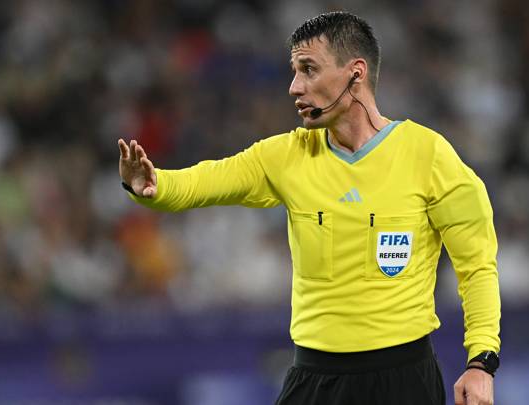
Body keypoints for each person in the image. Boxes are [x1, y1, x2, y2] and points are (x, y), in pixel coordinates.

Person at [118, 11, 500, 405]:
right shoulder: (288, 156)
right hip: (315, 380)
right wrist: (153, 184)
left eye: (308, 70)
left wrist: (481, 361)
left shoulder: (428, 155)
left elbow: (477, 266)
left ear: (355, 73)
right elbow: (208, 180)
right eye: (294, 71)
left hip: (404, 382)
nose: (294, 87)